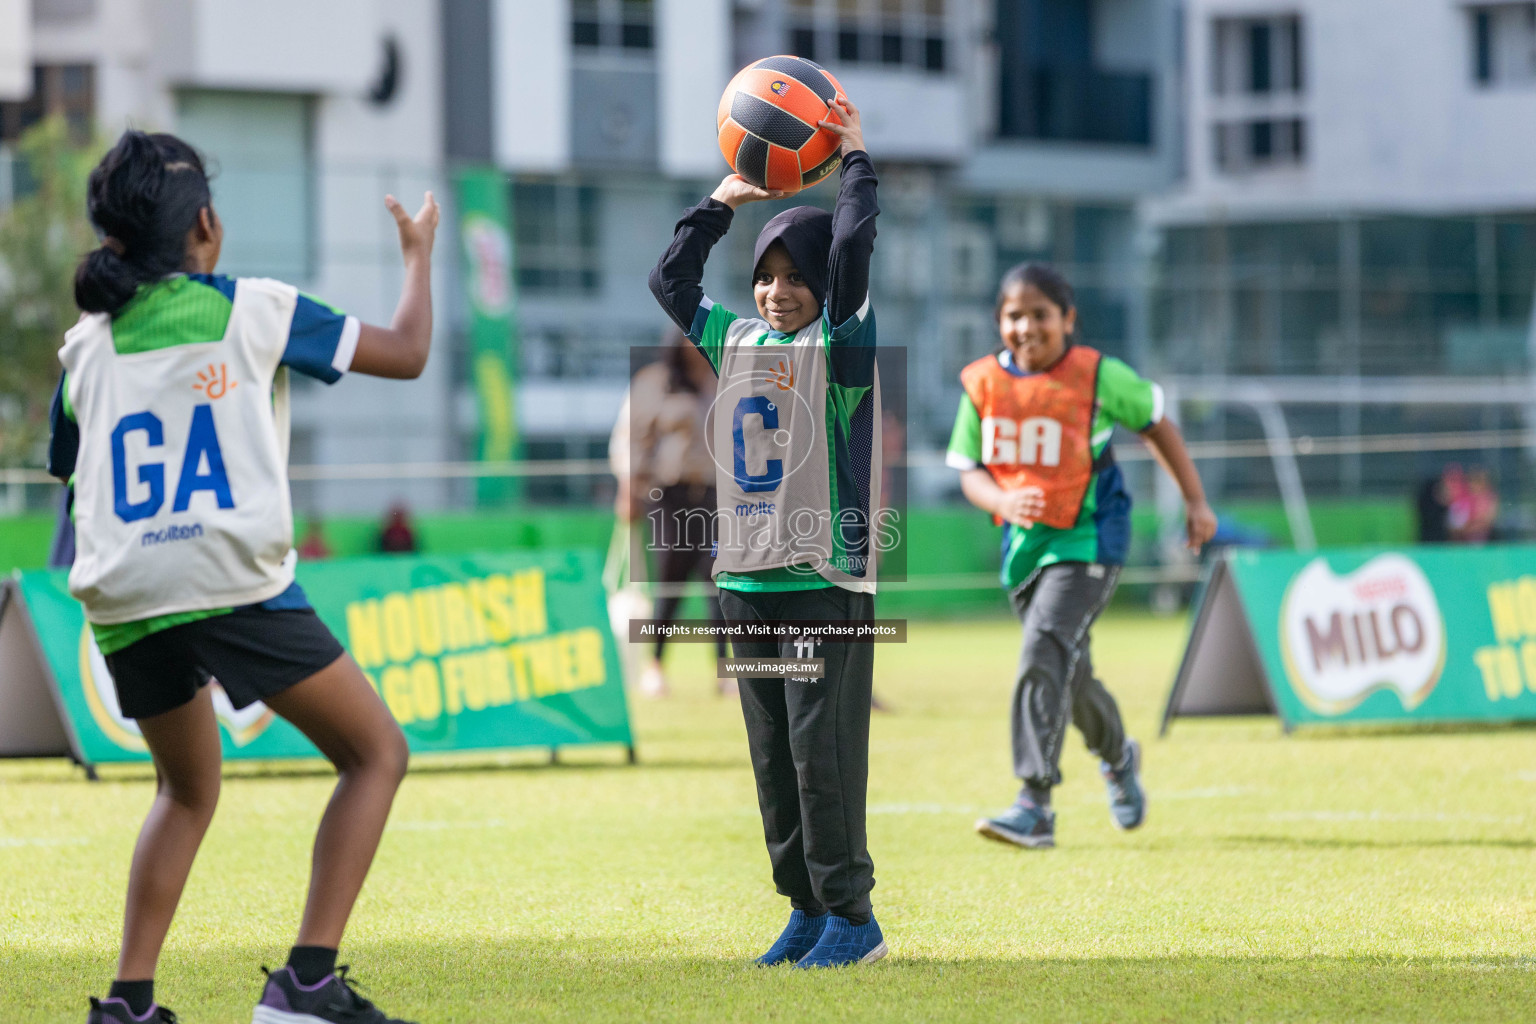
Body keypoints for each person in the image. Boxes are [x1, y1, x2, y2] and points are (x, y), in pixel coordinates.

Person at [48, 130, 436, 1024]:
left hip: (119, 594)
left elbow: (72, 474)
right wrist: (415, 258)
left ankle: (130, 1003)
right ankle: (305, 985)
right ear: (208, 226)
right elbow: (408, 351)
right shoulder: (252, 307)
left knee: (184, 790)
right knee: (375, 754)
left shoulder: (83, 349)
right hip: (227, 574)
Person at [649, 93, 886, 967]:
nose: (778, 291)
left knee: (821, 758)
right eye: (767, 274)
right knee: (774, 765)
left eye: (797, 277)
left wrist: (855, 158)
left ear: (824, 288)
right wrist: (720, 203)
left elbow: (856, 242)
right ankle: (803, 908)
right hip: (743, 586)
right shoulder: (733, 336)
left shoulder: (843, 344)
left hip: (822, 584)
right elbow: (670, 282)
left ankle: (853, 919)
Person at [946, 263, 1216, 850]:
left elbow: (1157, 425)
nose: (1027, 327)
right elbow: (968, 470)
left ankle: (1034, 805)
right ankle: (1119, 755)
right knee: (1069, 673)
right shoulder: (982, 384)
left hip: (1090, 540)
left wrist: (1195, 501)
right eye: (1014, 315)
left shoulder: (1098, 375)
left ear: (1068, 319)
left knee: (1043, 648)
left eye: (1041, 314)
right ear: (999, 322)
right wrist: (1002, 498)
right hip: (1025, 550)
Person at [608, 331, 731, 697]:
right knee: (669, 579)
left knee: (721, 581)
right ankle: (655, 666)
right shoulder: (654, 383)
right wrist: (627, 490)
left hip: (714, 495)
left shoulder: (721, 380)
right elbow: (631, 440)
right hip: (668, 495)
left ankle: (727, 673)